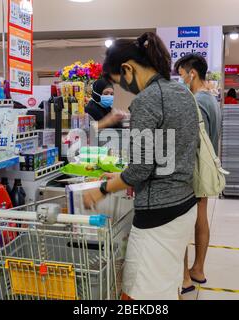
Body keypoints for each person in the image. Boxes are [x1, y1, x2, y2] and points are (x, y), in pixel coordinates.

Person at [83, 32, 199, 300]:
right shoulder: (182, 92)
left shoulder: (147, 100)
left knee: (138, 294)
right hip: (184, 205)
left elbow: (140, 170)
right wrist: (123, 175)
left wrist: (102, 189)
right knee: (167, 286)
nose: (123, 89)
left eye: (118, 83)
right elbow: (167, 154)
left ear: (127, 69)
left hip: (157, 215)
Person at [175, 53, 222, 293]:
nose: (180, 79)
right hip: (206, 169)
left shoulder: (197, 101)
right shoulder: (212, 100)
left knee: (183, 219)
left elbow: (192, 139)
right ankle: (198, 269)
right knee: (201, 215)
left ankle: (184, 278)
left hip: (193, 169)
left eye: (181, 74)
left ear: (191, 73)